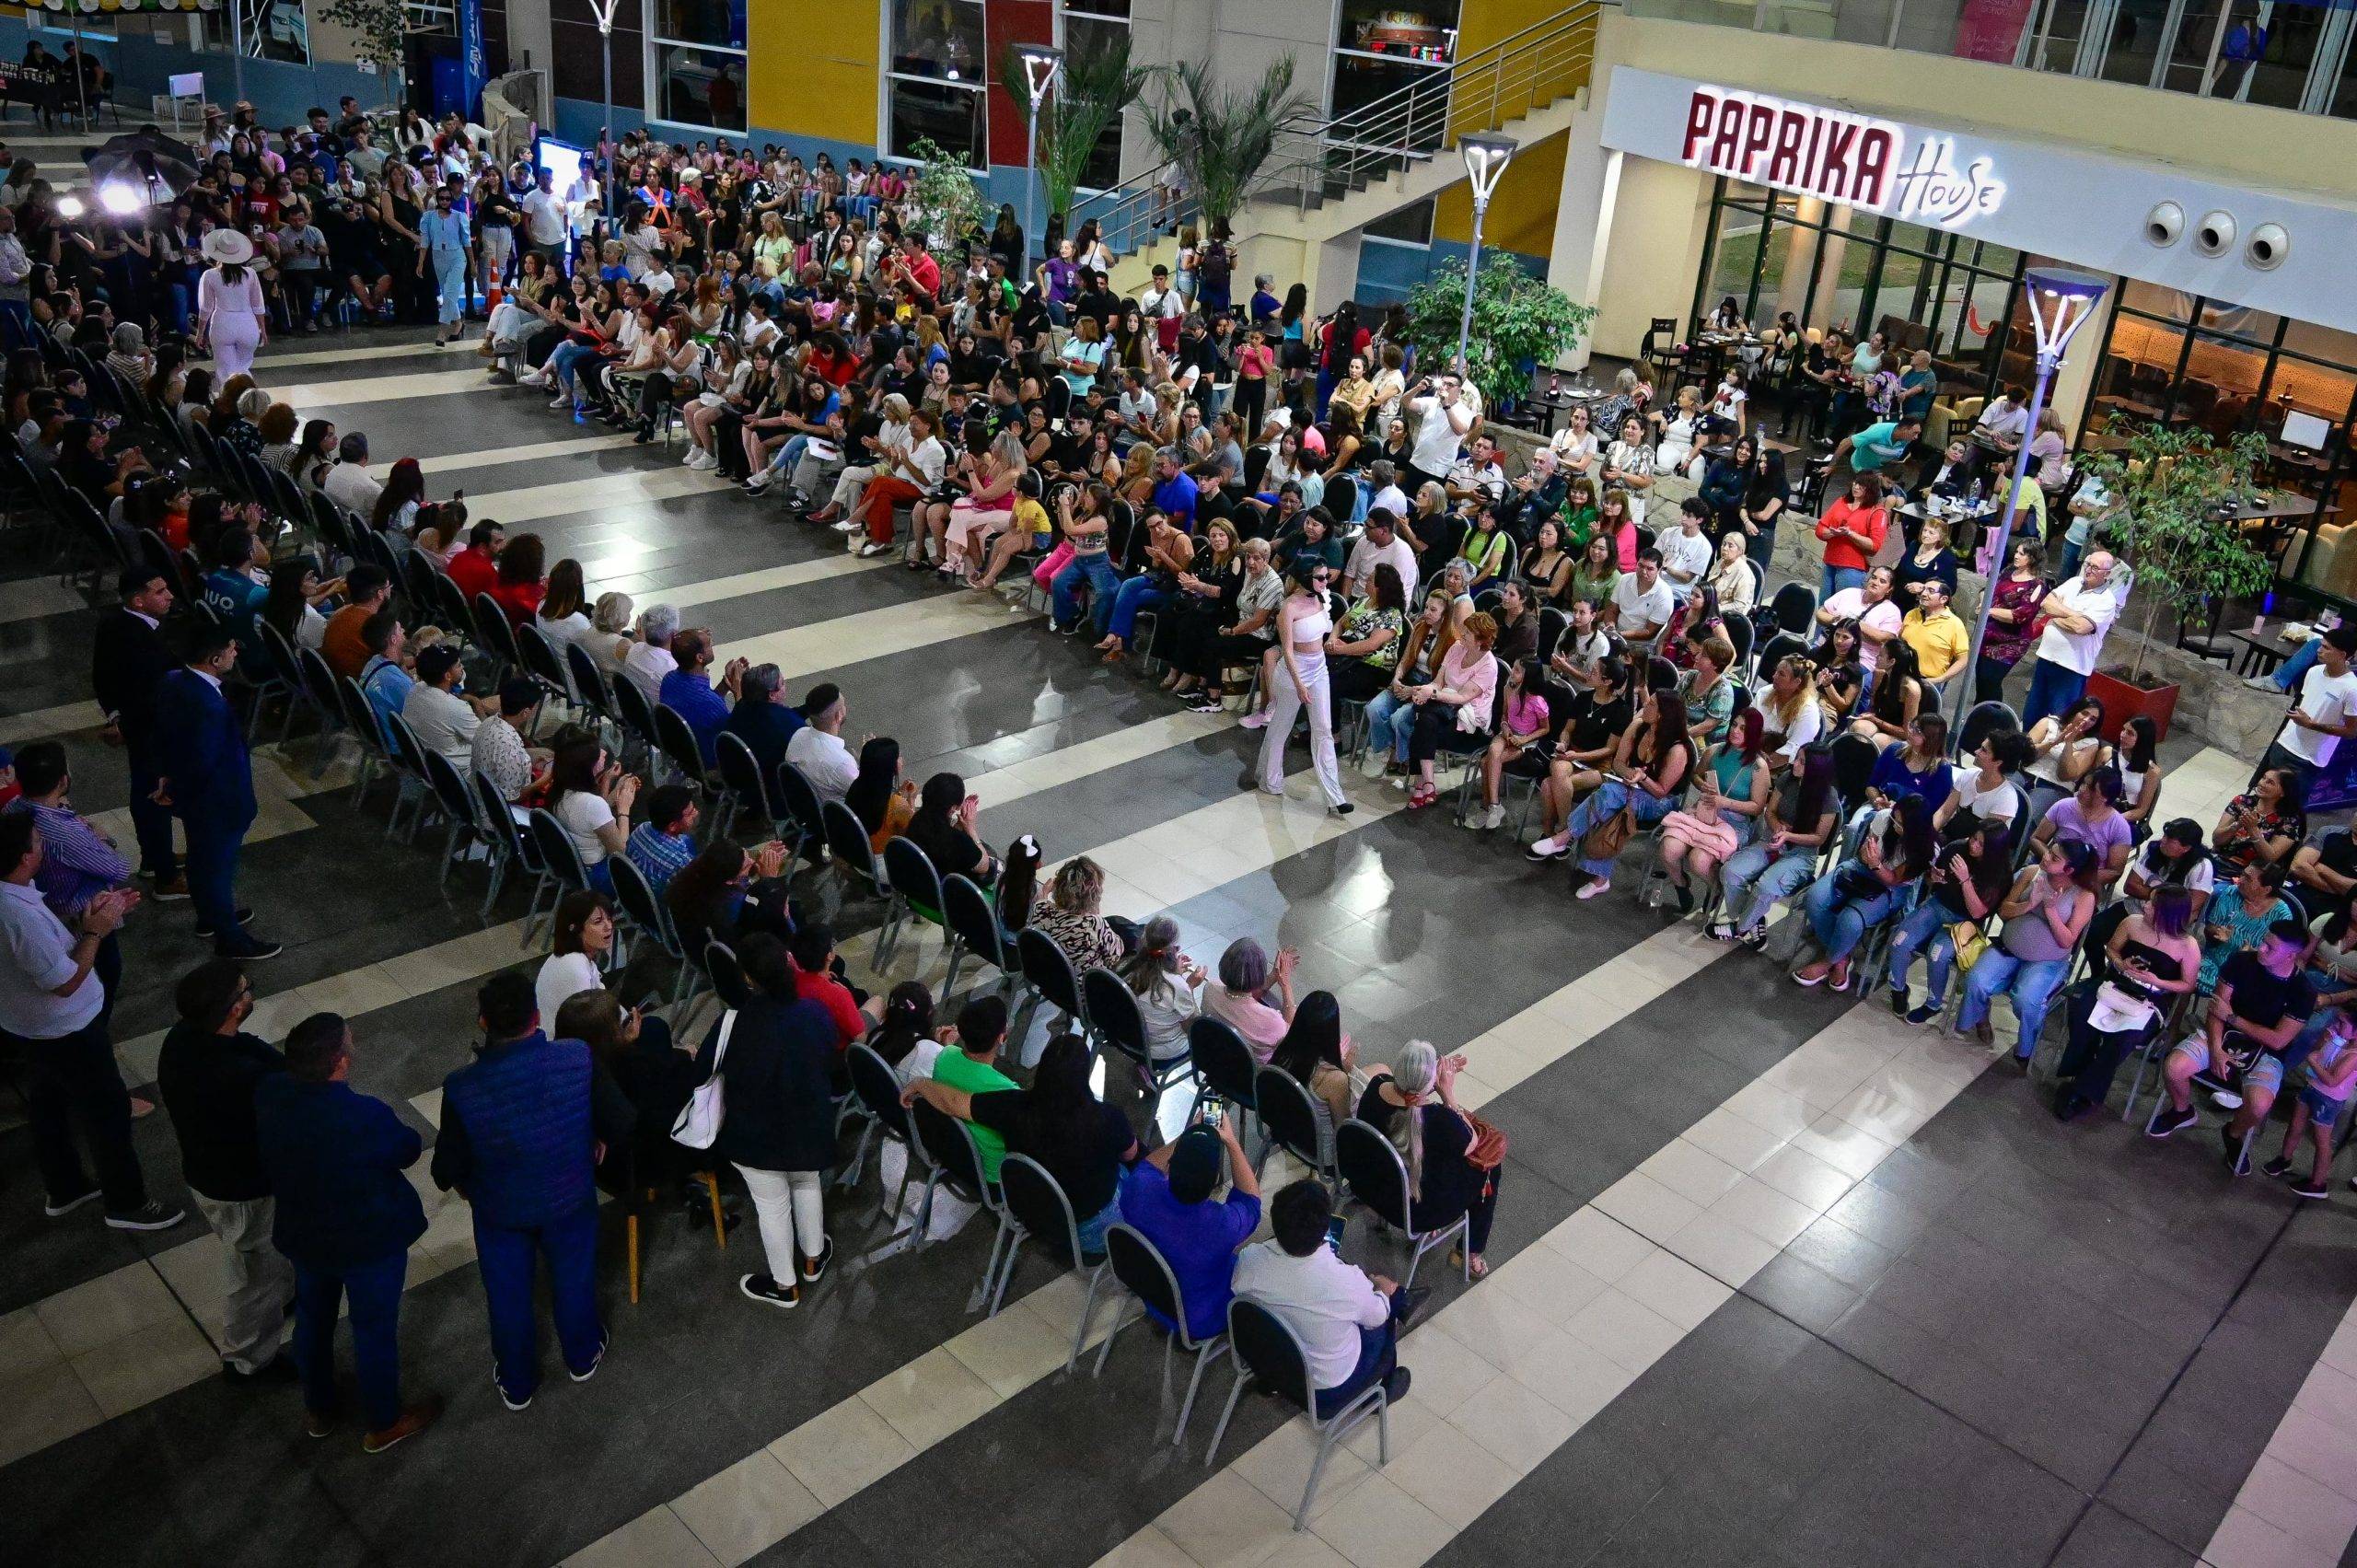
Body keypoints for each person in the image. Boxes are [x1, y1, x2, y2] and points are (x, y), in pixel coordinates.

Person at [254, 1011, 439, 1451]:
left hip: (306, 1235)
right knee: (372, 1330)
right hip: (367, 1243)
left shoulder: (271, 1094)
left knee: (313, 1322)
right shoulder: (362, 1114)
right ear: (339, 1062)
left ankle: (319, 1408)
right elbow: (408, 1148)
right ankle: (384, 1421)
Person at [432, 972, 615, 1409]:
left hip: (500, 1211)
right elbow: (617, 1119)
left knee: (508, 1294)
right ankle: (582, 1354)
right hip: (569, 1198)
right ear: (536, 1016)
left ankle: (517, 1382)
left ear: (483, 1022)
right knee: (573, 1278)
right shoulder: (577, 1057)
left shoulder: (461, 1087)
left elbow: (446, 1167)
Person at [0, 811, 174, 1229]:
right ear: (25, 857)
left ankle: (65, 1187)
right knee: (108, 1115)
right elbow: (63, 983)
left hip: (28, 1026)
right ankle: (127, 1204)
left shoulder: (15, 898)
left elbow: (40, 955)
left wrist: (84, 922)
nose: (44, 846)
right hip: (66, 1030)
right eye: (39, 842)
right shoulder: (17, 914)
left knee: (49, 1105)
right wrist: (96, 932)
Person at [156, 958, 295, 1382]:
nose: (250, 992)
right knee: (252, 1278)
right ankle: (248, 1361)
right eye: (245, 988)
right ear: (235, 1007)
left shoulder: (183, 1039)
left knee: (268, 1260)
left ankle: (285, 1294)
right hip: (243, 1192)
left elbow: (247, 1046)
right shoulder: (238, 1079)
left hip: (209, 1172)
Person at [905, 1031, 1140, 1252]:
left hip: (1030, 1209)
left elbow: (954, 1103)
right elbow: (1131, 1155)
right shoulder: (1108, 1118)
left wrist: (921, 1084)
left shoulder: (1012, 1104)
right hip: (1091, 1230)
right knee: (1146, 1175)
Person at [707, 934, 842, 1307]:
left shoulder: (733, 1023)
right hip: (807, 1127)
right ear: (790, 963)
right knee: (807, 1184)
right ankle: (814, 1257)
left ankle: (785, 1286)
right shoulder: (815, 1013)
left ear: (748, 979)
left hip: (754, 1137)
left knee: (772, 1207)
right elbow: (829, 1057)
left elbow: (706, 1072)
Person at [152, 621, 281, 959]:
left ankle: (211, 916)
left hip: (198, 799)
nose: (235, 652)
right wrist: (178, 787)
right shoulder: (211, 706)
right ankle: (231, 940)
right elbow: (202, 761)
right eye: (230, 648)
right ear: (214, 658)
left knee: (200, 861)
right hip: (218, 801)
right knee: (216, 870)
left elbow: (167, 736)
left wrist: (167, 778)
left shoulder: (173, 681)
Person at [1230, 1179, 1413, 1413]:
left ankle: (1271, 1383)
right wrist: (1383, 1291)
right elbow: (1376, 1317)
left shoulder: (1250, 1259)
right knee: (1390, 1311)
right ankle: (1378, 1395)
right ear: (1325, 1231)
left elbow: (1239, 1288)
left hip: (1266, 1362)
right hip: (1325, 1393)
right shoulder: (1346, 1282)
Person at [2150, 919, 2316, 1178]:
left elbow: (2278, 1040)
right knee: (2174, 1067)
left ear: (2291, 956)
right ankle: (2182, 1110)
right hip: (2223, 1035)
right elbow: (2217, 1009)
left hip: (2266, 1054)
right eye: (2264, 942)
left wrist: (2234, 1019)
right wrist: (2216, 1048)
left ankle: (2233, 1134)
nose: (2261, 949)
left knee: (2258, 1106)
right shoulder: (2241, 962)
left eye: (2270, 948)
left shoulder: (2303, 991)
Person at [2050, 885, 2203, 1122]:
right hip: (2116, 984)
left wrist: (2158, 980)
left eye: (2153, 905)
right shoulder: (2132, 922)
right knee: (2081, 1014)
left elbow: (2188, 985)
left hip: (2151, 999)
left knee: (2124, 1038)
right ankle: (2080, 1072)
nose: (2145, 906)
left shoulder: (2188, 945)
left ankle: (2083, 1091)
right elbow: (2112, 949)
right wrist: (2121, 964)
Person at [1357, 1040, 1501, 1278]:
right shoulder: (1439, 1121)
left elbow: (1405, 1096)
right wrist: (1448, 1093)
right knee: (1489, 1165)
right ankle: (1469, 1252)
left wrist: (1425, 1080)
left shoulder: (1375, 1088)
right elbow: (1471, 1141)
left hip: (1372, 1190)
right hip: (1417, 1210)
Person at [1959, 839, 2101, 1064]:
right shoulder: (2031, 873)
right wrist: (2028, 905)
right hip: (2009, 948)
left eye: (2054, 858)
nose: (2045, 857)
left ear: (2070, 869)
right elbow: (2004, 912)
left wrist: (2051, 910)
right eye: (2049, 852)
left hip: (2047, 961)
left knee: (2026, 1000)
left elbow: (2067, 941)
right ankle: (1980, 1016)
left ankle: (2025, 1048)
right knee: (1976, 980)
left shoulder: (2084, 896)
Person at [1116, 1119, 1260, 1341]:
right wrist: (1231, 1142)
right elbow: (1252, 1202)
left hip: (1149, 1293)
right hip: (1198, 1320)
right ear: (1213, 1181)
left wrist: (1188, 1134)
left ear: (1171, 1168)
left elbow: (1148, 1166)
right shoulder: (1222, 1226)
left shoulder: (1139, 1189)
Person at [91, 567, 181, 892]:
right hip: (150, 733)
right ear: (139, 601)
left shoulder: (115, 622)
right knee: (154, 797)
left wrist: (115, 716)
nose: (170, 596)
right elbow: (144, 695)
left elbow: (103, 675)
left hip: (137, 727)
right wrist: (125, 724)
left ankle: (154, 859)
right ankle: (166, 876)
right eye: (160, 591)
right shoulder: (138, 640)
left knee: (146, 794)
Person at [1794, 795, 1934, 991]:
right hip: (1861, 868)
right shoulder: (1884, 817)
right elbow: (1865, 849)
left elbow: (1894, 879)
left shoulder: (1924, 849)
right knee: (1814, 898)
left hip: (1890, 887)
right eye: (1895, 818)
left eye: (1901, 824)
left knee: (1850, 920)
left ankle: (1827, 963)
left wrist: (1876, 864)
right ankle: (1842, 958)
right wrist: (1867, 856)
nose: (1895, 825)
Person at [1882, 819, 2013, 1026]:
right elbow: (1929, 878)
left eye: (1980, 843)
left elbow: (1978, 912)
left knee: (1937, 953)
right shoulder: (1956, 848)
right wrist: (1934, 877)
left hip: (1965, 922)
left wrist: (1965, 880)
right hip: (1939, 904)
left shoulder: (2000, 874)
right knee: (1900, 940)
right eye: (1973, 838)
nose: (1973, 845)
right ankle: (1898, 989)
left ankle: (1933, 1004)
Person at [1713, 746, 1840, 946]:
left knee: (1765, 887)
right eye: (1797, 758)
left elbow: (1818, 838)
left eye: (1802, 762)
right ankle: (1752, 918)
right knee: (1731, 872)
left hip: (1801, 854)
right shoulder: (1787, 779)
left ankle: (1739, 928)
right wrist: (1778, 828)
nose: (1795, 763)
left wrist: (1790, 835)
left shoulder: (1828, 796)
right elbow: (1769, 812)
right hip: (1772, 840)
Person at [1256, 560, 1352, 815]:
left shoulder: (1323, 598)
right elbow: (1286, 650)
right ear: (1305, 578)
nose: (1325, 581)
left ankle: (1335, 795)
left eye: (1326, 576)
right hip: (1292, 672)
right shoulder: (1288, 607)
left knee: (1323, 729)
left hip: (1319, 668)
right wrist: (1298, 684)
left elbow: (1327, 632)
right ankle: (1270, 779)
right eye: (1320, 577)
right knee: (1281, 727)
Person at [2259, 1009, 2357, 1200]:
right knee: (2295, 1125)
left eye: (2343, 1025)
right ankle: (2284, 1159)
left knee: (2322, 1140)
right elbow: (2321, 1054)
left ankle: (2318, 1183)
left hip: (2328, 1100)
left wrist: (2312, 1061)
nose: (2337, 1027)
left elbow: (2332, 1080)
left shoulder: (2353, 1056)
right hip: (2312, 1088)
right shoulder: (2341, 1042)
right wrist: (2324, 1042)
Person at [2021, 552, 2121, 726]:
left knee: (2059, 720)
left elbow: (2080, 627)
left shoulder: (2107, 601)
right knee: (2031, 713)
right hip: (2046, 658)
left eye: (2095, 567)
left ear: (2107, 574)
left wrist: (2055, 615)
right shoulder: (2074, 582)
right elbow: (2046, 603)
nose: (2089, 569)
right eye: (2088, 564)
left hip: (2072, 668)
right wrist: (2073, 614)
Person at [2259, 622, 2357, 791]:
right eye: (2321, 645)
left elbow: (2351, 731)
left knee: (2290, 809)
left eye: (2326, 648)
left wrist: (2311, 725)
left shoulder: (2351, 689)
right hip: (2284, 744)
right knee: (2263, 796)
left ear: (2342, 655)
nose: (2319, 650)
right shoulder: (2314, 672)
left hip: (2309, 759)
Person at [536, 889, 615, 1029]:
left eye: (609, 918)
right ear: (575, 929)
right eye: (598, 922)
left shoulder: (573, 957)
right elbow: (588, 1029)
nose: (608, 927)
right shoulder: (575, 969)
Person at [196, 227, 267, 379]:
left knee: (224, 372)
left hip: (222, 323)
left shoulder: (209, 275)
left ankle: (227, 400)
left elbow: (205, 308)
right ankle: (246, 399)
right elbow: (258, 305)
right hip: (248, 325)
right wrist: (263, 329)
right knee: (243, 369)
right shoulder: (250, 273)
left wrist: (200, 333)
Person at [721, 662, 805, 781]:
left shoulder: (741, 707)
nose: (785, 686)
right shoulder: (793, 726)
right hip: (771, 787)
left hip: (739, 777)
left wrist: (806, 709)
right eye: (782, 683)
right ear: (772, 695)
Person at [1813, 473, 1889, 599]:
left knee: (1845, 607)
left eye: (1862, 485)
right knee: (1824, 605)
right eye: (1855, 483)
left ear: (1870, 489)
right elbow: (1820, 529)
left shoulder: (1877, 511)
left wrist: (1850, 534)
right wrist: (1833, 533)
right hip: (1830, 561)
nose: (1856, 487)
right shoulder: (1841, 501)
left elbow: (1875, 545)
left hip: (1853, 568)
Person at [784, 682, 857, 804]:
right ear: (839, 715)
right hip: (832, 818)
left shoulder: (798, 735)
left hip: (803, 807)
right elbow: (867, 795)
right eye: (843, 705)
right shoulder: (842, 763)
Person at [625, 784, 700, 891]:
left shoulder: (641, 828)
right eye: (690, 813)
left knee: (687, 840)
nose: (696, 813)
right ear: (672, 826)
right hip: (662, 900)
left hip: (635, 887)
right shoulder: (681, 862)